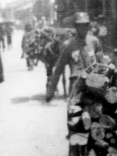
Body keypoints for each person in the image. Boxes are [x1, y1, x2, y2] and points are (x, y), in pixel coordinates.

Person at [46, 12, 103, 156]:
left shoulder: (95, 42)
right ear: (76, 27)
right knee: (75, 126)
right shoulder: (68, 45)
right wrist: (50, 91)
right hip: (76, 89)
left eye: (86, 25)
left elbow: (102, 66)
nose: (83, 28)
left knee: (95, 125)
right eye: (80, 26)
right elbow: (58, 69)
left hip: (94, 88)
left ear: (89, 26)